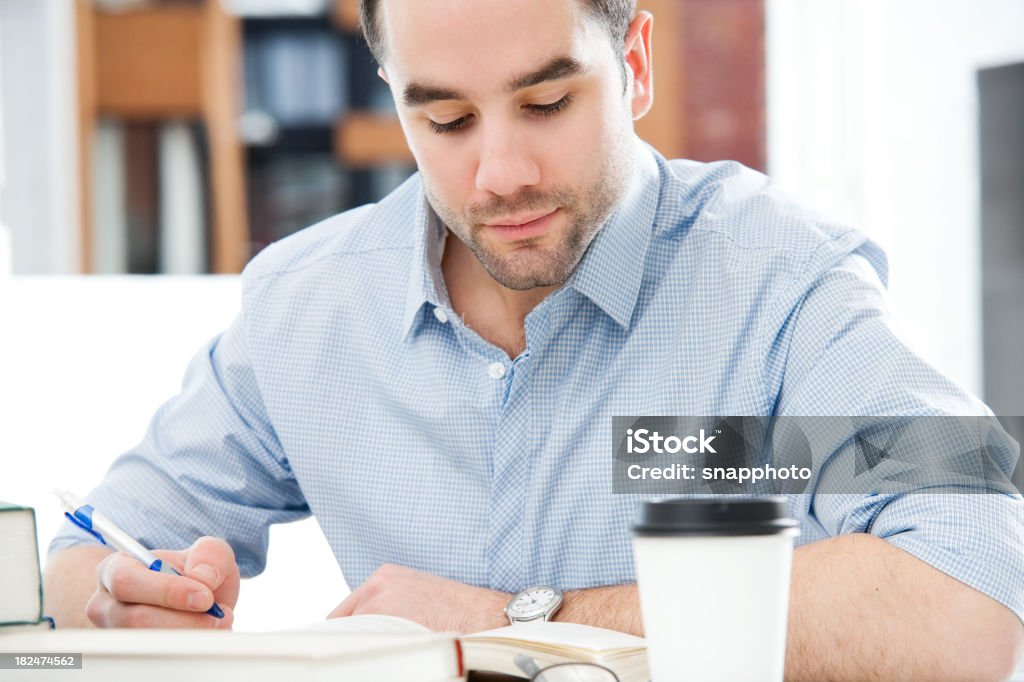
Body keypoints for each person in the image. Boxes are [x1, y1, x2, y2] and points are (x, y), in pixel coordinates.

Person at [45, 0, 1023, 679]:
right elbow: (85, 555)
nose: (499, 174)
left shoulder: (786, 283)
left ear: (633, 63)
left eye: (547, 102)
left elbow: (975, 582)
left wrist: (516, 621)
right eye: (445, 117)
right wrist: (134, 603)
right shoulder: (303, 308)